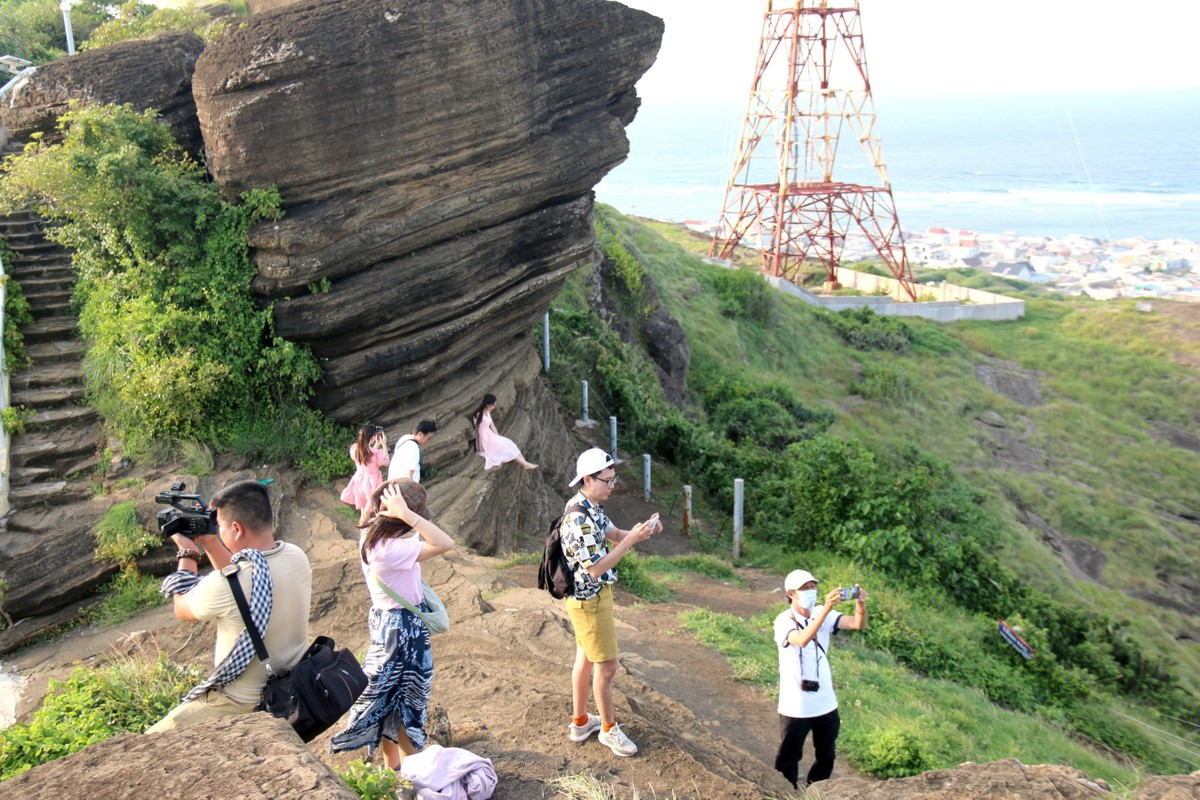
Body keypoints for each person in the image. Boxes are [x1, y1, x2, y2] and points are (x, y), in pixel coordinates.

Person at [147, 480, 312, 733]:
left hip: (238, 702)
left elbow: (182, 606)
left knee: (150, 740)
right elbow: (238, 581)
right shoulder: (296, 555)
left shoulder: (222, 585)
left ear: (236, 528)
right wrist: (212, 543)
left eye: (220, 526)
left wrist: (188, 553)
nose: (218, 531)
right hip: (287, 687)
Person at [329, 478, 455, 771]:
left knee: (390, 703)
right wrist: (409, 514)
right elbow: (445, 543)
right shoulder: (390, 551)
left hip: (388, 626)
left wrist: (396, 512)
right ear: (399, 520)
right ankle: (415, 778)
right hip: (404, 633)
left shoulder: (373, 537)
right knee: (408, 705)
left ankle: (394, 770)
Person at [560, 447, 661, 757]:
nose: (612, 485)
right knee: (607, 667)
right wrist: (629, 542)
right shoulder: (579, 518)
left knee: (586, 658)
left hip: (589, 598)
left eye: (613, 479)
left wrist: (639, 532)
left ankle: (580, 722)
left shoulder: (589, 505)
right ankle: (608, 729)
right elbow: (597, 566)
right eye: (608, 480)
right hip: (589, 601)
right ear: (588, 479)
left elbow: (615, 533)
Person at [773, 569, 868, 789]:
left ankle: (816, 791)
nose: (811, 591)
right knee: (788, 757)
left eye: (813, 586)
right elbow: (802, 639)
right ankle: (784, 792)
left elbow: (857, 624)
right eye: (804, 588)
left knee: (826, 755)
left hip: (825, 702)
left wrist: (860, 604)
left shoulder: (821, 613)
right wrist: (826, 609)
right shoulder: (783, 621)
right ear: (791, 594)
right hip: (796, 705)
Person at [471, 393, 538, 470]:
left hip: (491, 436)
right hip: (485, 439)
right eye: (493, 405)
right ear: (488, 405)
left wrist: (498, 437)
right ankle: (525, 464)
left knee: (510, 443)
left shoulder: (487, 412)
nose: (494, 407)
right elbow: (479, 432)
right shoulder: (478, 415)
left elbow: (492, 426)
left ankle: (525, 463)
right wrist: (480, 448)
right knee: (507, 448)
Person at [341, 425, 390, 513]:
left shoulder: (355, 449)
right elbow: (386, 462)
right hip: (372, 483)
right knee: (369, 509)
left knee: (363, 507)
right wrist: (383, 444)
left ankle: (362, 525)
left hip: (359, 480)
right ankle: (363, 525)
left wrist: (376, 445)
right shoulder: (375, 453)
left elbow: (368, 456)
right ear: (372, 438)